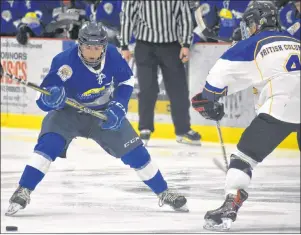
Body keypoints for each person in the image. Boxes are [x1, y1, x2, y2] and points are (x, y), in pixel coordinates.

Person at [5, 21, 188, 216]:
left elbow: (126, 82)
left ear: (103, 46)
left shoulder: (113, 56)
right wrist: (50, 99)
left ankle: (164, 191)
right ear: (79, 45)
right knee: (48, 144)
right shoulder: (64, 61)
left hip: (103, 113)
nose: (92, 52)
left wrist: (118, 107)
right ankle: (24, 189)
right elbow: (42, 97)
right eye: (88, 47)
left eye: (97, 47)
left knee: (136, 153)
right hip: (68, 113)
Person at [191, 1, 300, 231]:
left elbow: (217, 80)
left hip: (280, 108)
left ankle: (232, 201)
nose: (248, 28)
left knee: (243, 158)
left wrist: (208, 100)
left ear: (257, 23)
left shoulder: (251, 44)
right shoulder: (295, 42)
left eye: (250, 23)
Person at [120, 0, 201, 146]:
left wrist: (186, 44)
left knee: (178, 90)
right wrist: (124, 44)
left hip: (171, 46)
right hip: (145, 46)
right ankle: (145, 128)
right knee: (147, 89)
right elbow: (127, 16)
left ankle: (183, 130)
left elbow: (185, 18)